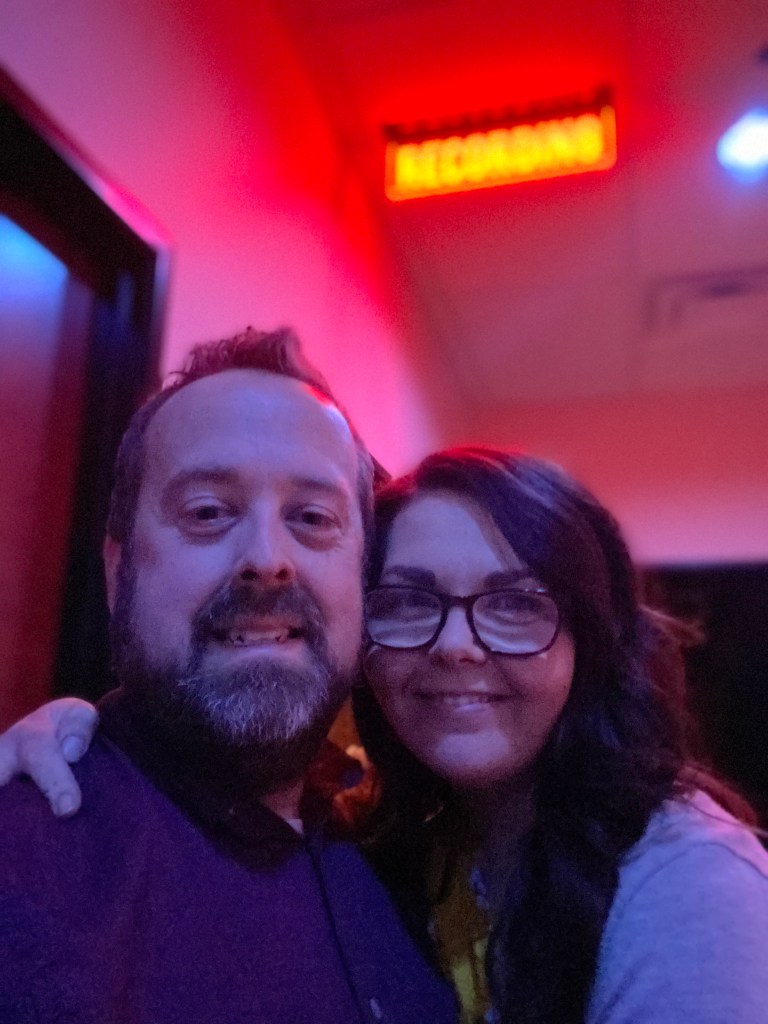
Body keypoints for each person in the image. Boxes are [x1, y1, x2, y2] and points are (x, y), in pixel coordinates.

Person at [5, 448, 768, 1023]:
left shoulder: (689, 887)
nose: (456, 646)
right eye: (407, 601)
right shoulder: (403, 836)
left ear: (589, 640)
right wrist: (98, 731)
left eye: (514, 605)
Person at [0, 327, 457, 1024]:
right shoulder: (22, 869)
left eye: (313, 517)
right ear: (120, 573)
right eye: (208, 512)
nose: (267, 559)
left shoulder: (407, 856)